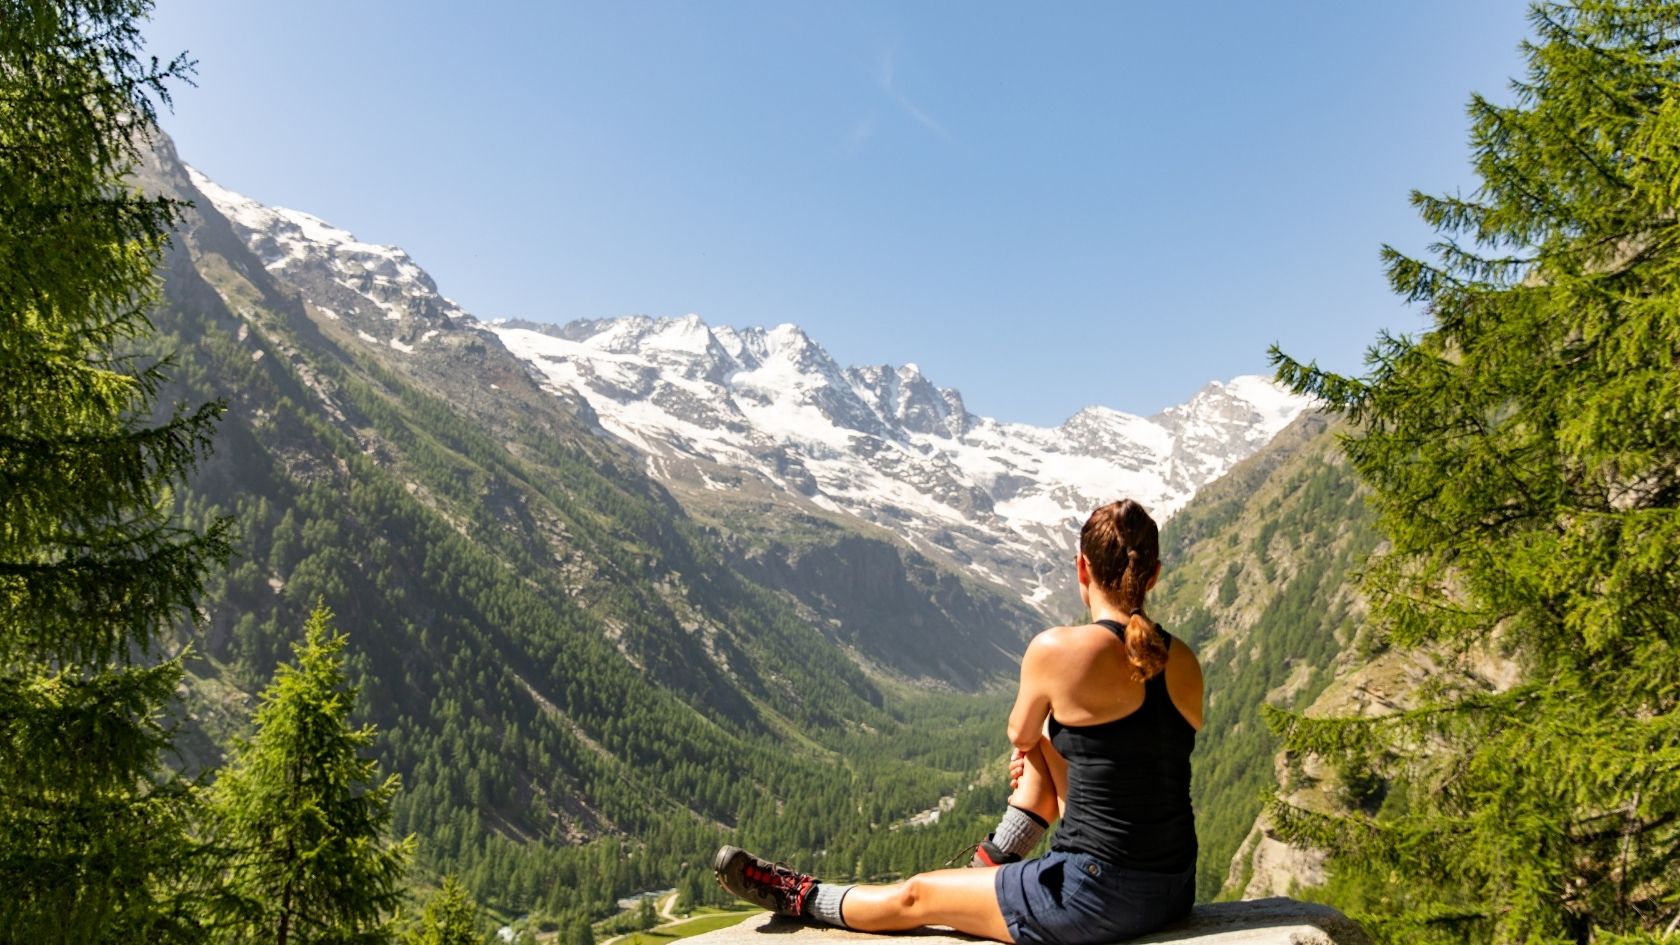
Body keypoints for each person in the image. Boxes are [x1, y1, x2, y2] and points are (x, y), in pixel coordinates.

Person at [715, 499, 1204, 944]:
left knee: (918, 895)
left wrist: (1036, 743)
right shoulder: (1183, 660)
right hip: (1172, 886)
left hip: (1093, 896)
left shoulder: (1061, 649)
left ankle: (802, 897)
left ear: (1082, 566)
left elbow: (1020, 736)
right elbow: (1125, 768)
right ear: (1154, 573)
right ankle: (989, 865)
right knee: (1059, 735)